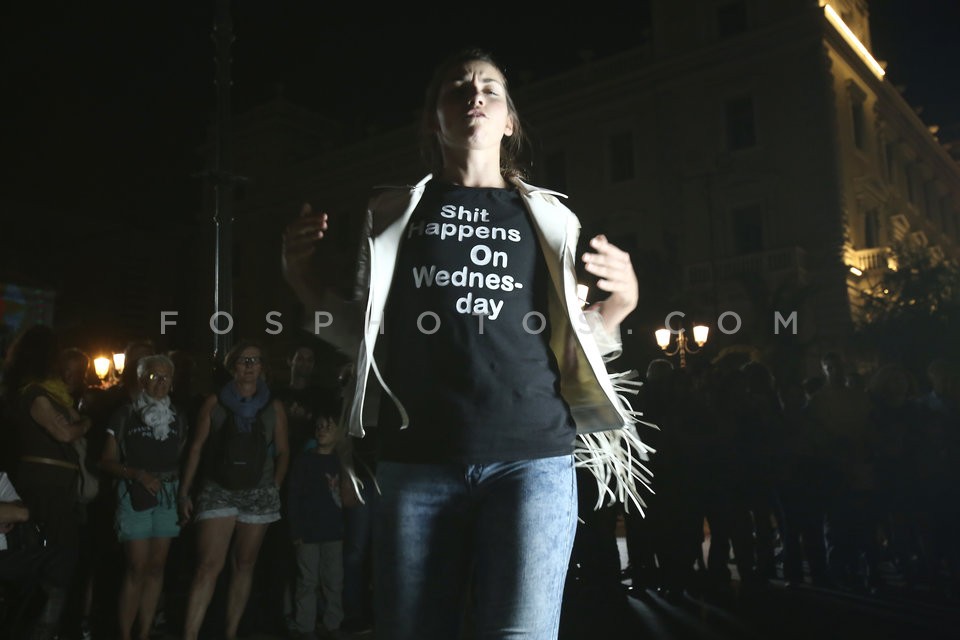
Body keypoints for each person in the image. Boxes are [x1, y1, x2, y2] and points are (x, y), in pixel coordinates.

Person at [282, 47, 648, 640]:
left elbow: (576, 337)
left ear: (509, 122)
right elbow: (363, 334)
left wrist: (621, 304)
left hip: (532, 458)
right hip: (418, 460)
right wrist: (302, 281)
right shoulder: (393, 214)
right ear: (434, 120)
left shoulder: (550, 219)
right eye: (458, 89)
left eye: (490, 88)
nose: (474, 95)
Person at [177, 340, 290, 640]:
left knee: (245, 564)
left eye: (255, 360)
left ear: (263, 367)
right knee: (207, 566)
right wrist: (184, 491)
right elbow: (196, 448)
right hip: (219, 487)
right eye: (244, 360)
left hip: (259, 491)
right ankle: (190, 635)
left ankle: (230, 633)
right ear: (232, 366)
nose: (250, 366)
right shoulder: (214, 403)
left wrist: (275, 485)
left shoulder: (274, 406)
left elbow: (283, 450)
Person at [0, 324, 90, 639]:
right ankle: (39, 630)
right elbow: (64, 433)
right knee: (55, 563)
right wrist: (87, 422)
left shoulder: (39, 393)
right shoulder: (35, 395)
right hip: (45, 489)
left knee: (55, 561)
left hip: (51, 489)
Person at [98, 354, 188, 640]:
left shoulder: (178, 418)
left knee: (157, 567)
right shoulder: (125, 415)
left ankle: (145, 632)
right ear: (141, 380)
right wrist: (137, 474)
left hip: (167, 495)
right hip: (134, 494)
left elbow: (181, 457)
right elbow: (106, 460)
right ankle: (125, 634)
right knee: (136, 567)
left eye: (165, 377)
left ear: (172, 381)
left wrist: (182, 494)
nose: (159, 382)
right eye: (152, 376)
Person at [287, 398, 345, 639]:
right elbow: (293, 497)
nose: (322, 430)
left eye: (328, 426)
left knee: (334, 580)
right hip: (308, 533)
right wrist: (296, 531)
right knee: (307, 581)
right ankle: (305, 627)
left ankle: (332, 624)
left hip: (334, 532)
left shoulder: (342, 462)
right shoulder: (304, 461)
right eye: (319, 426)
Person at [0, 470, 71, 640]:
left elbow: (22, 513)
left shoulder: (0, 478)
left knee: (60, 559)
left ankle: (42, 634)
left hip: (4, 558)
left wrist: (10, 513)